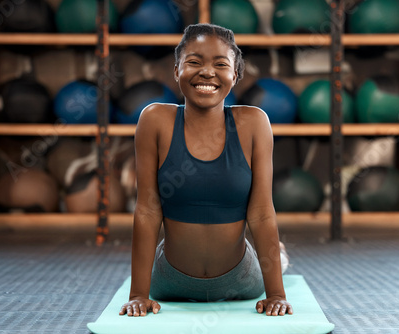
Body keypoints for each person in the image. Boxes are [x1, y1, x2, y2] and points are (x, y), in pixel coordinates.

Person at [119, 23, 292, 317]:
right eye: (194, 62)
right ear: (177, 71)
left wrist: (276, 293)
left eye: (220, 64)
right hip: (169, 280)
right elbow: (147, 210)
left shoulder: (253, 123)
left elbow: (261, 212)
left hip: (240, 278)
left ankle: (283, 254)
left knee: (276, 254)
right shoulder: (154, 120)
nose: (207, 72)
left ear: (234, 75)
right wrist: (138, 294)